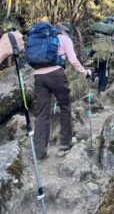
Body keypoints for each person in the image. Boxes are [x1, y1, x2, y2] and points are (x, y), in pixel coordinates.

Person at [31, 21, 91, 162]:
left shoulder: (42, 38)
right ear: (67, 31)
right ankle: (65, 142)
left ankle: (39, 153)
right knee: (65, 107)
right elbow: (73, 60)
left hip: (38, 76)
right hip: (56, 75)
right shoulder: (64, 39)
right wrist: (85, 72)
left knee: (42, 113)